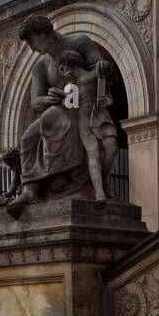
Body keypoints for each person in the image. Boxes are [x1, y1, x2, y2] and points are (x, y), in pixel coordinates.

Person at [7, 15, 114, 215]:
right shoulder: (40, 66)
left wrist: (103, 67)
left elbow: (103, 74)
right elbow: (36, 102)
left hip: (82, 108)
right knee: (28, 138)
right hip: (57, 109)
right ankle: (30, 190)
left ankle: (67, 179)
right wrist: (48, 99)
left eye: (32, 41)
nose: (32, 48)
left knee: (66, 124)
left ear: (42, 34)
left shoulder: (80, 43)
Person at [57, 49, 118, 203]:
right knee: (93, 153)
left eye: (63, 69)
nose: (64, 74)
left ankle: (104, 179)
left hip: (100, 116)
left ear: (71, 64)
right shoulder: (71, 86)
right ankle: (99, 193)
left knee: (112, 148)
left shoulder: (95, 76)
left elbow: (108, 94)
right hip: (83, 121)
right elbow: (69, 107)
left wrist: (108, 101)